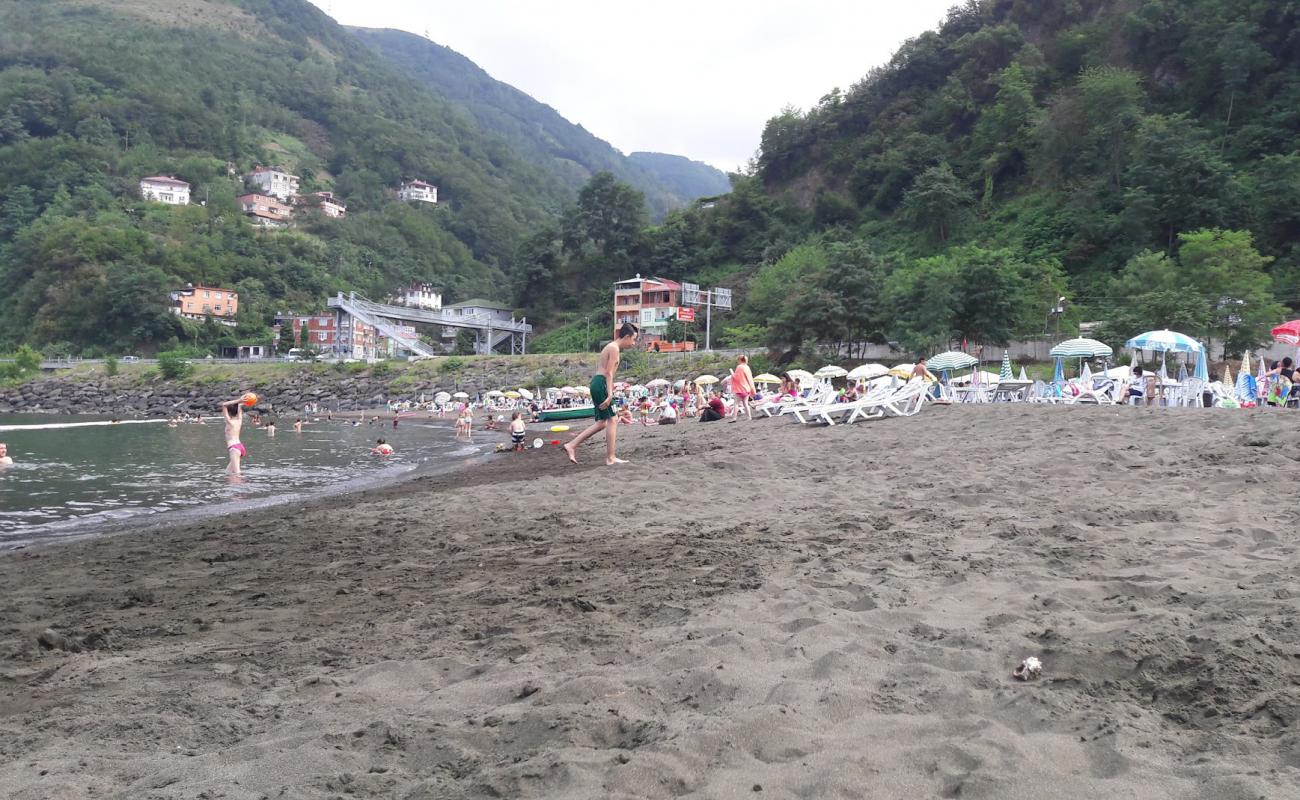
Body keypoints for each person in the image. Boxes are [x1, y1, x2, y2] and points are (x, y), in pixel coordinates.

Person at [564, 322, 639, 466]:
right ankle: (610, 457)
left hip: (598, 383)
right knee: (612, 419)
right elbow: (609, 373)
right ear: (627, 336)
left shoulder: (612, 347)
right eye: (634, 339)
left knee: (602, 423)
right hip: (601, 383)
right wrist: (610, 394)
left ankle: (571, 445)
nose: (634, 343)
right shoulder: (614, 348)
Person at [221, 394, 254, 476]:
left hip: (234, 448)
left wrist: (239, 400)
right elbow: (239, 408)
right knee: (228, 472)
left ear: (228, 412)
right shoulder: (239, 420)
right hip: (240, 447)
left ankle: (242, 488)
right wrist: (242, 402)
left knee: (237, 473)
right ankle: (229, 488)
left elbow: (224, 405)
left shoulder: (229, 422)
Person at [730, 355, 756, 421]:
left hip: (740, 389)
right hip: (747, 389)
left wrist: (731, 372)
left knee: (736, 404)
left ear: (739, 360)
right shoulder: (747, 367)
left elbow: (736, 377)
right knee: (746, 404)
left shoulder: (739, 367)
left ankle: (734, 418)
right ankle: (749, 417)